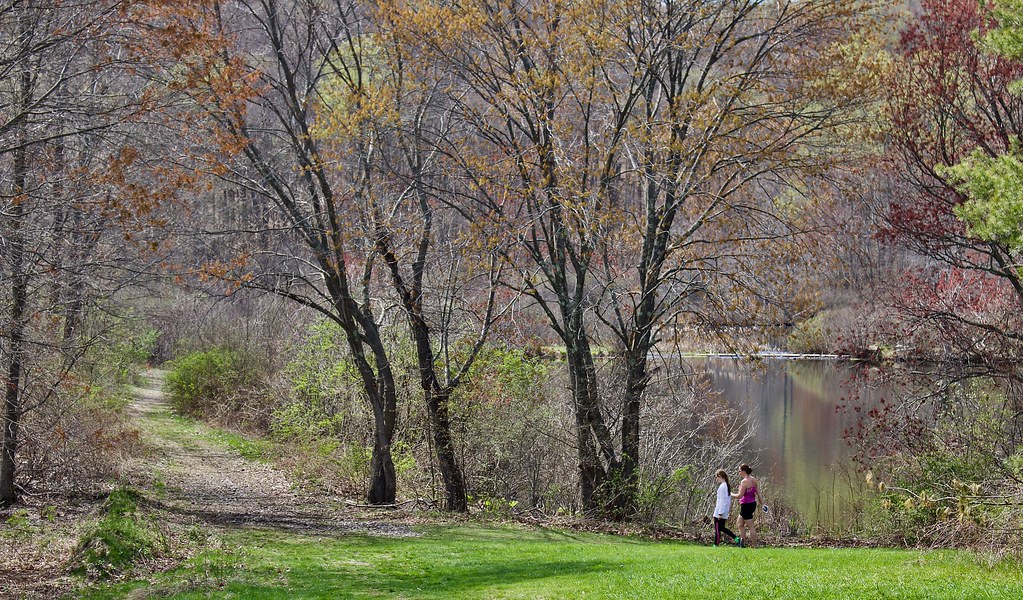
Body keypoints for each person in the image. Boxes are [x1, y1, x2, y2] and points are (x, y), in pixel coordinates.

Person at [731, 463, 763, 547]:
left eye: (739, 471)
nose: (739, 473)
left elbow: (739, 496)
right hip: (752, 504)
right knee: (740, 524)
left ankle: (755, 546)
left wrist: (730, 494)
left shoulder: (744, 481)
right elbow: (758, 493)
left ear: (744, 471)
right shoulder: (753, 479)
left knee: (751, 526)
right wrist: (762, 503)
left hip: (746, 505)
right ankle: (742, 543)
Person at [712, 469, 739, 546]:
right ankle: (736, 538)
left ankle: (715, 544)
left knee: (717, 529)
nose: (716, 479)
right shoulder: (726, 485)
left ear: (720, 476)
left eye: (716, 477)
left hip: (720, 512)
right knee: (722, 528)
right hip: (723, 511)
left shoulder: (723, 487)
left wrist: (720, 513)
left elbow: (722, 501)